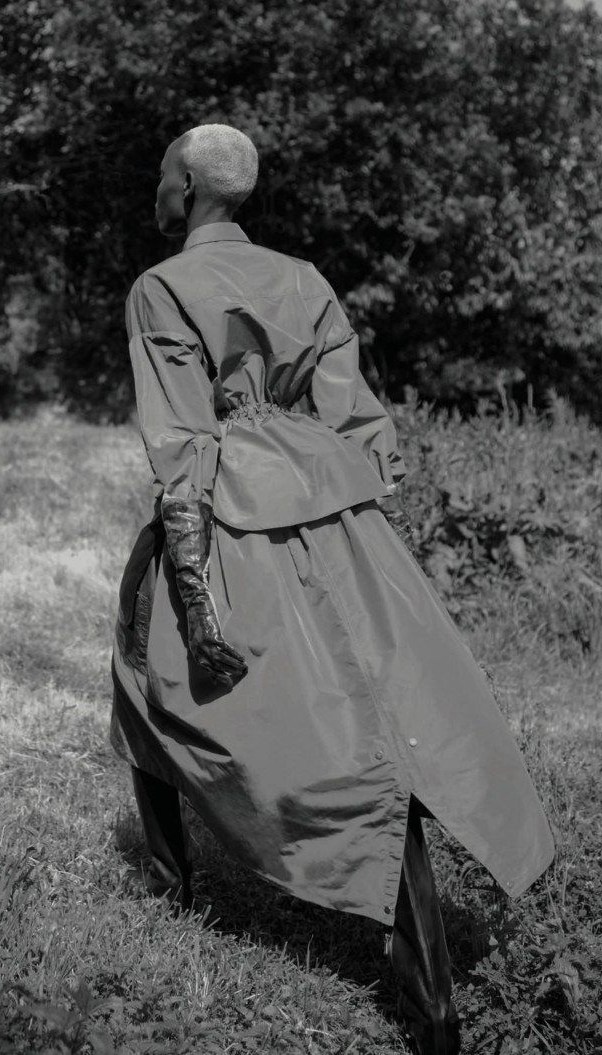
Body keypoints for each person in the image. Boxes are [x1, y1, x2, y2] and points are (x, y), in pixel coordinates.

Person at [110, 123, 555, 1055]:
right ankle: (429, 980)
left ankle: (170, 885)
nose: (155, 187)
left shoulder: (161, 287)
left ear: (190, 186)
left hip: (228, 507)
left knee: (143, 668)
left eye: (161, 175)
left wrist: (191, 582)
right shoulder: (304, 279)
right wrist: (334, 502)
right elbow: (357, 420)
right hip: (336, 511)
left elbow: (183, 442)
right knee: (383, 710)